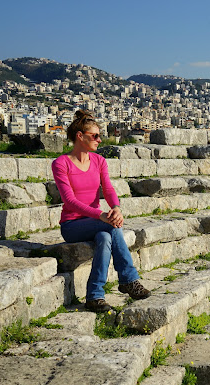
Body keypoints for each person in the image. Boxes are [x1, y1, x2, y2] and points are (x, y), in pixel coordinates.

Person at [52, 110, 150, 313]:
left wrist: (116, 208)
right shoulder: (61, 163)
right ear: (80, 136)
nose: (99, 139)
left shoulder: (99, 161)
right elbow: (69, 201)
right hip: (72, 225)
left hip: (97, 222)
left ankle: (95, 295)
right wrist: (101, 215)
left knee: (105, 238)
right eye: (95, 135)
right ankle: (129, 279)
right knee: (109, 227)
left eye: (99, 135)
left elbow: (108, 189)